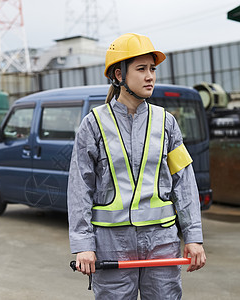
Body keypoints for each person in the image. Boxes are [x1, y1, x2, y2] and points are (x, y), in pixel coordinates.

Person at [67, 33, 206, 299]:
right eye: (141, 69)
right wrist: (83, 244)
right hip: (111, 243)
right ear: (119, 75)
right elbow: (79, 187)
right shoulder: (93, 124)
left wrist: (193, 236)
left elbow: (184, 182)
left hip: (161, 240)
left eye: (152, 69)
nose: (150, 76)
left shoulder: (166, 122)